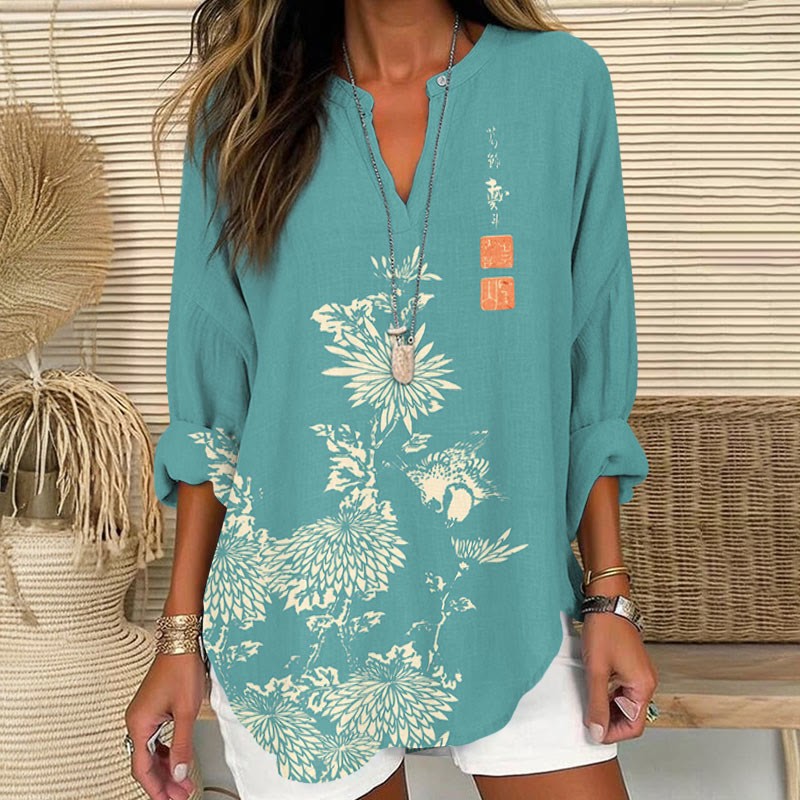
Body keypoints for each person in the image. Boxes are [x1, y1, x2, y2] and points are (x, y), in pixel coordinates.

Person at [125, 1, 660, 798]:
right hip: (295, 622)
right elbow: (215, 413)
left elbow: (590, 360)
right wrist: (179, 638)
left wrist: (608, 596)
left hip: (513, 596)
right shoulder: (244, 111)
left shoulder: (561, 86)